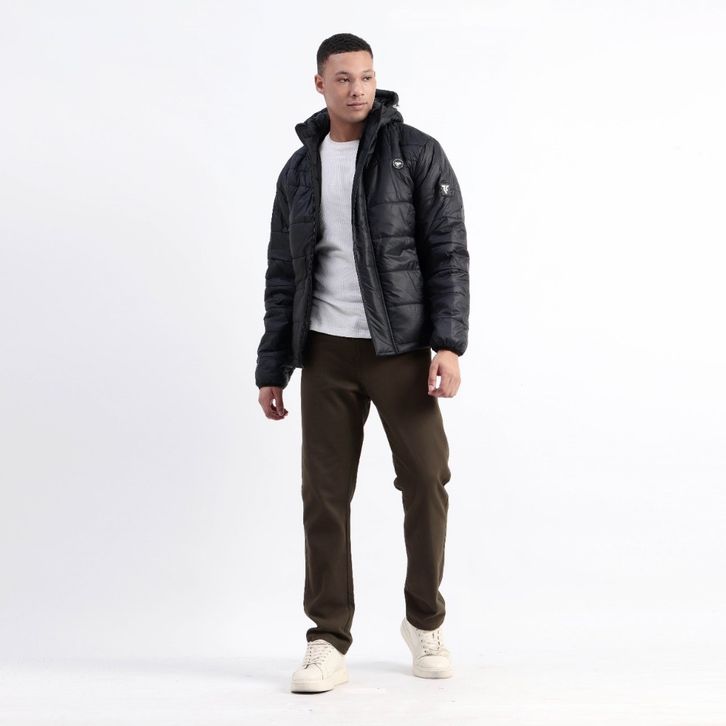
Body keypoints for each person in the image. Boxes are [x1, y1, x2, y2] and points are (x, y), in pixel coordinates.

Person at [255, 32, 470, 693]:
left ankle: (424, 619)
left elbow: (447, 252)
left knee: (427, 478)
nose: (357, 89)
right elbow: (283, 272)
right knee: (324, 496)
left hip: (400, 351)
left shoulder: (415, 153)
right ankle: (327, 638)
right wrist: (272, 366)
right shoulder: (300, 170)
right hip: (324, 352)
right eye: (344, 78)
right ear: (320, 84)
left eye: (367, 77)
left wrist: (448, 344)